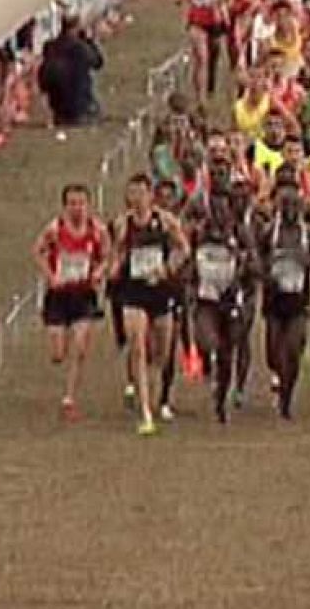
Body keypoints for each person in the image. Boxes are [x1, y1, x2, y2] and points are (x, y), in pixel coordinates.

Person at [108, 174, 188, 436]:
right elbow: (117, 252)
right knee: (138, 346)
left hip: (160, 291)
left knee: (161, 353)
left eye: (141, 193)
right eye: (132, 194)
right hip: (134, 292)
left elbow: (183, 249)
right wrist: (114, 268)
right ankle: (145, 412)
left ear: (150, 195)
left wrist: (166, 269)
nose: (137, 199)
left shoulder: (165, 221)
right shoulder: (123, 224)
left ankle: (150, 390)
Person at [32, 184, 108, 421]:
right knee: (58, 354)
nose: (77, 208)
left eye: (81, 203)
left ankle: (69, 398)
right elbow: (37, 251)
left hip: (83, 295)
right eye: (72, 203)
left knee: (80, 347)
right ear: (65, 206)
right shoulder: (55, 229)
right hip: (59, 295)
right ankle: (57, 348)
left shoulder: (97, 230)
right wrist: (50, 275)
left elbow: (107, 255)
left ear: (88, 205)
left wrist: (98, 272)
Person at [189, 175, 256, 424]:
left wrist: (244, 267)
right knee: (207, 339)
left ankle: (221, 397)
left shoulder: (241, 232)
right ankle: (207, 360)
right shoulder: (199, 232)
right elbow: (187, 262)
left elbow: (255, 266)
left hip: (231, 299)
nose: (219, 211)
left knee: (228, 352)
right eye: (214, 205)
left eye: (223, 205)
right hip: (206, 298)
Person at [259, 171, 310, 420]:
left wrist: (306, 261)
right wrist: (267, 270)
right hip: (274, 299)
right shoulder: (269, 232)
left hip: (298, 299)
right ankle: (278, 376)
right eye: (285, 204)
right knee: (274, 351)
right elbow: (256, 259)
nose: (289, 209)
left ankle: (287, 396)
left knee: (293, 348)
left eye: (294, 204)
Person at [38, 14, 104, 127]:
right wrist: (89, 40)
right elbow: (98, 62)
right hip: (80, 107)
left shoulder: (50, 47)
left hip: (58, 109)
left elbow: (43, 82)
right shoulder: (81, 48)